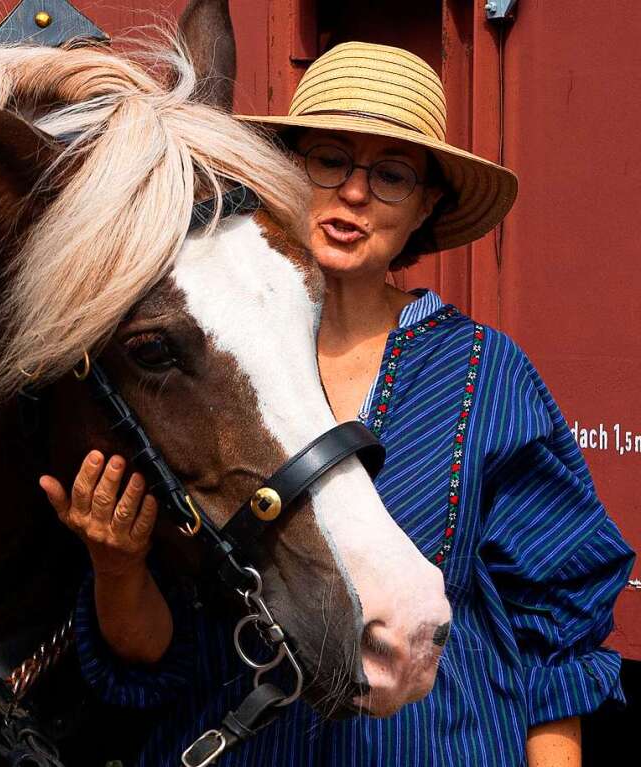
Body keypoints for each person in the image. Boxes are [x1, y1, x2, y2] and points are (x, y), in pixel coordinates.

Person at [38, 42, 634, 766]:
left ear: (427, 206)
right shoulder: (196, 369)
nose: (354, 192)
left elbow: (557, 627)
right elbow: (160, 658)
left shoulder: (486, 372)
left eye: (390, 174)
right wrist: (118, 567)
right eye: (328, 159)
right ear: (284, 170)